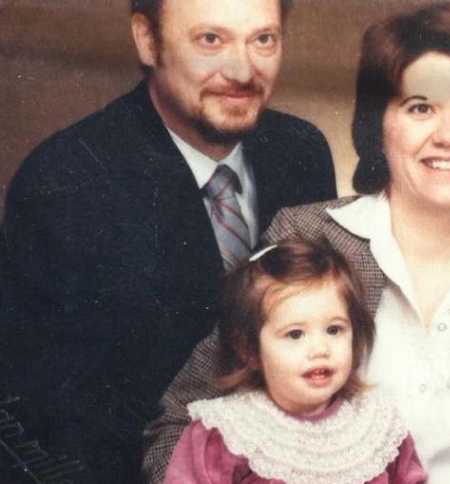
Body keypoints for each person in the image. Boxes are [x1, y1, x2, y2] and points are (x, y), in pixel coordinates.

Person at [144, 3, 450, 483]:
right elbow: (181, 418)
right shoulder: (306, 239)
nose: (449, 136)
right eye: (421, 108)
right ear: (379, 124)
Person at [0, 0, 335, 482]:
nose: (242, 70)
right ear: (147, 40)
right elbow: (55, 423)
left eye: (263, 39)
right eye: (210, 40)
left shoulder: (302, 150)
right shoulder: (66, 181)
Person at [163, 238, 426, 483]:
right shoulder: (226, 432)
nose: (320, 349)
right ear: (250, 350)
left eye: (334, 330)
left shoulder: (377, 427)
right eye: (295, 334)